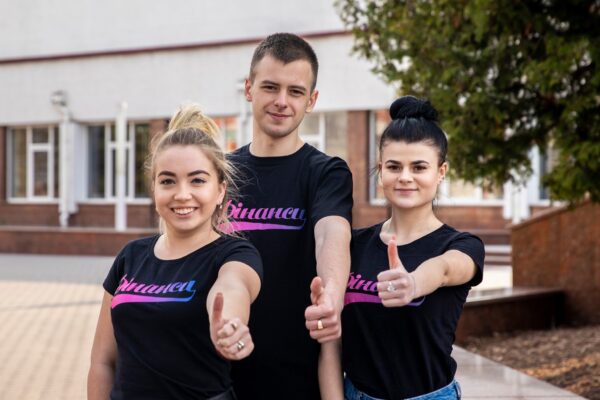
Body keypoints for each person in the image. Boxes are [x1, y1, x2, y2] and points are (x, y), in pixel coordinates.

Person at [87, 104, 263, 400]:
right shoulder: (130, 257)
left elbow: (233, 288)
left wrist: (230, 324)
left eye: (197, 180)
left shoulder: (235, 255)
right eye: (168, 181)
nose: (182, 194)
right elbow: (102, 362)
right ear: (155, 188)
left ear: (220, 190)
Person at [328, 96, 485, 400]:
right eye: (394, 166)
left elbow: (445, 269)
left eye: (419, 167)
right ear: (380, 170)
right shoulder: (353, 243)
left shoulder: (462, 245)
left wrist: (413, 283)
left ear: (441, 172)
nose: (405, 177)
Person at [225, 33, 353, 399]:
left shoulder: (326, 173)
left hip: (298, 379)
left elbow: (331, 234)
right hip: (221, 377)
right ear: (249, 89)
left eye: (295, 92)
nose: (282, 101)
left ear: (311, 100)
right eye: (270, 87)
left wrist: (331, 297)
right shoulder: (220, 173)